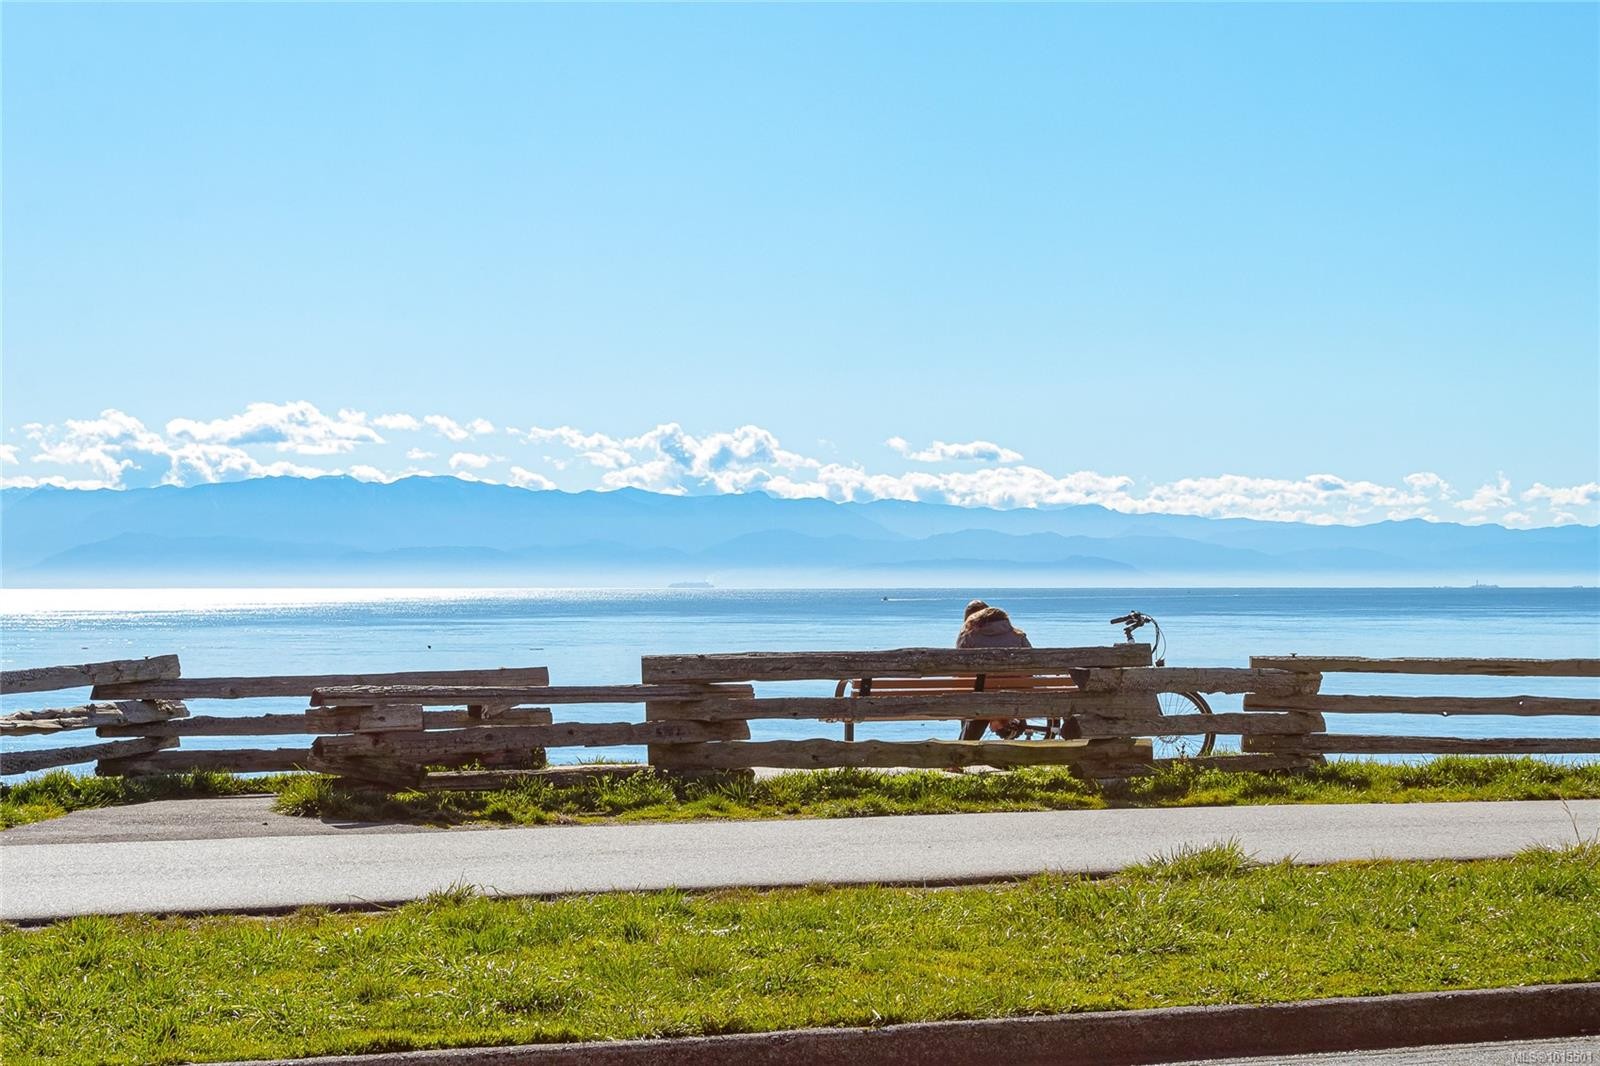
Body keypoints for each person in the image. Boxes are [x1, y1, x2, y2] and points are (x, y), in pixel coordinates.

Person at [955, 600, 1031, 740]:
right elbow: (1031, 668)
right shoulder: (1018, 636)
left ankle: (964, 748)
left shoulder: (968, 636)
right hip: (1015, 696)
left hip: (981, 697)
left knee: (973, 693)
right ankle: (1009, 728)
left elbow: (962, 673)